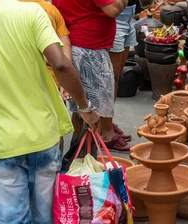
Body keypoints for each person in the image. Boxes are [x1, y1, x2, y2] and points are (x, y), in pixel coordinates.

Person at [0, 0, 99, 224]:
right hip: (44, 134)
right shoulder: (32, 12)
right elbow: (62, 65)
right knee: (44, 213)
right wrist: (84, 106)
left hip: (1, 142)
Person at [53, 0, 130, 151]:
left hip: (77, 45)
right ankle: (85, 159)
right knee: (92, 112)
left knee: (83, 110)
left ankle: (79, 156)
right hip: (88, 49)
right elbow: (113, 9)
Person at [105, 0, 138, 142]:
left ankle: (107, 123)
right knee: (109, 80)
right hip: (115, 15)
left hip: (128, 14)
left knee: (116, 78)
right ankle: (105, 132)